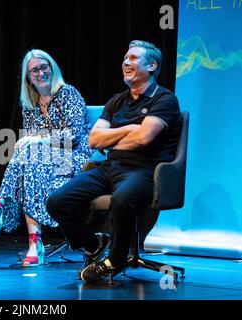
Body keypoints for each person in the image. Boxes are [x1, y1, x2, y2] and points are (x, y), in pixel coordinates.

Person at [46, 40, 181, 282]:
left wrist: (115, 139)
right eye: (124, 58)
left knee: (122, 199)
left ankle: (116, 259)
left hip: (144, 170)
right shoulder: (117, 100)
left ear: (152, 65)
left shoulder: (164, 99)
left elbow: (143, 139)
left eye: (133, 58)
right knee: (57, 201)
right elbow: (94, 140)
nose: (126, 62)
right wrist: (130, 127)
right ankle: (92, 244)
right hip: (109, 167)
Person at [0, 49, 92, 267]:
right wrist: (35, 142)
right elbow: (34, 143)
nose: (40, 73)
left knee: (29, 157)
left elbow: (73, 137)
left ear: (52, 68)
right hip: (44, 161)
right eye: (34, 70)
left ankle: (1, 210)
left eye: (44, 67)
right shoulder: (31, 104)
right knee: (30, 162)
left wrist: (39, 140)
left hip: (74, 159)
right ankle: (33, 243)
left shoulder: (67, 93)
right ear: (28, 77)